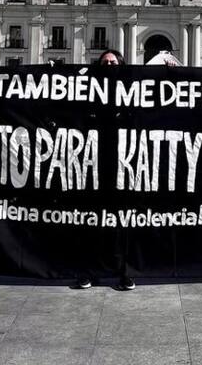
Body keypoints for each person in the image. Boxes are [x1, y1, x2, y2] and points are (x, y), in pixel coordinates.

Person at [77, 49, 136, 291]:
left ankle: (125, 273)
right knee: (92, 224)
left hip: (124, 170)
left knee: (123, 226)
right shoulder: (86, 91)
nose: (109, 66)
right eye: (105, 63)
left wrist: (170, 74)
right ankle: (89, 272)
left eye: (113, 63)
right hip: (93, 169)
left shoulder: (134, 90)